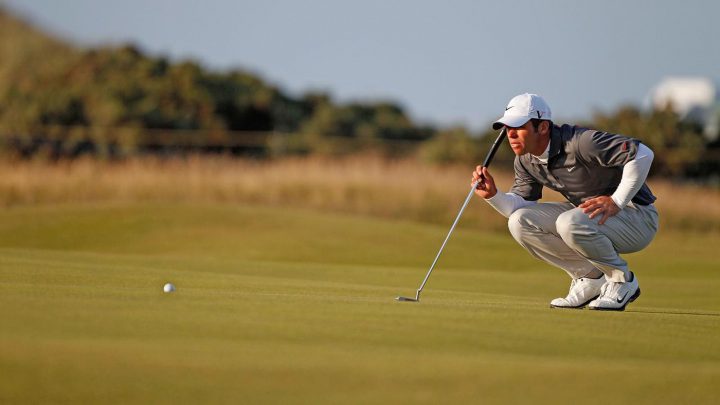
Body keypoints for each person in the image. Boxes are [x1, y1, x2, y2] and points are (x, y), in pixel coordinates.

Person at [472, 93, 658, 311]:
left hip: (637, 217)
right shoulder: (525, 160)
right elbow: (521, 206)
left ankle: (621, 280)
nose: (510, 134)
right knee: (519, 221)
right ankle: (590, 278)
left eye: (518, 127)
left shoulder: (582, 142)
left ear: (542, 127)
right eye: (506, 128)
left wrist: (616, 201)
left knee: (569, 222)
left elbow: (643, 154)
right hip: (590, 215)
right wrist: (494, 195)